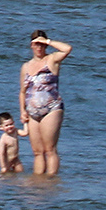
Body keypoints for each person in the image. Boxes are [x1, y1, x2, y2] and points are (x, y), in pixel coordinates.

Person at [19, 31, 71, 176]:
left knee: (49, 149)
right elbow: (23, 91)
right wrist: (22, 111)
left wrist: (48, 41)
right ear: (31, 45)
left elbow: (67, 49)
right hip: (32, 111)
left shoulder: (52, 60)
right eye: (37, 44)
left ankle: (51, 180)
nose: (39, 47)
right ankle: (38, 181)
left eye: (42, 44)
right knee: (37, 151)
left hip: (51, 108)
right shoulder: (26, 67)